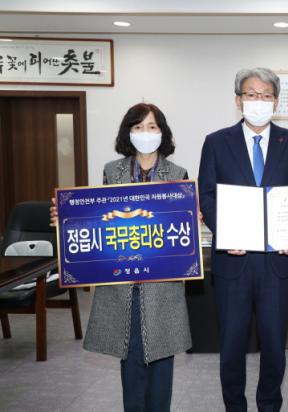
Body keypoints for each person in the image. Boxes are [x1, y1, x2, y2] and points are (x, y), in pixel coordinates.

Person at [51, 103, 191, 412]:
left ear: (162, 132)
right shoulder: (111, 171)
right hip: (122, 283)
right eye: (138, 127)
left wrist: (194, 218)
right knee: (131, 362)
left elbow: (179, 226)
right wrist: (67, 217)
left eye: (152, 127)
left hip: (161, 286)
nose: (145, 133)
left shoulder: (177, 174)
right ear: (128, 132)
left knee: (162, 362)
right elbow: (98, 219)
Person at [198, 67, 288, 411]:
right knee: (232, 345)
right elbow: (207, 195)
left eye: (265, 95)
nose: (258, 101)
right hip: (233, 263)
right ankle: (235, 406)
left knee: (274, 346)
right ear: (238, 100)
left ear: (275, 102)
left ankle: (269, 406)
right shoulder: (216, 142)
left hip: (278, 264)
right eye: (251, 94)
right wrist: (225, 232)